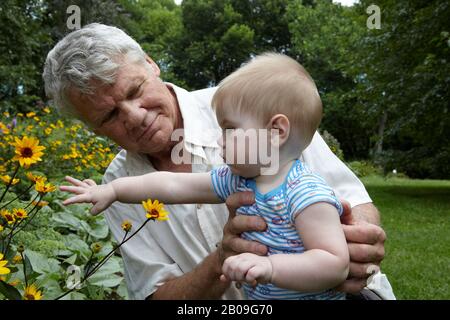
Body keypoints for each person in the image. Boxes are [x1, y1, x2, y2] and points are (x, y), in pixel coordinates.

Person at [43, 23, 393, 300]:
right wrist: (222, 258)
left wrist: (354, 247)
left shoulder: (252, 106)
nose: (134, 117)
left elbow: (355, 201)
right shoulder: (122, 177)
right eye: (109, 116)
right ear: (93, 129)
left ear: (151, 64)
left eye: (134, 91)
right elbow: (156, 291)